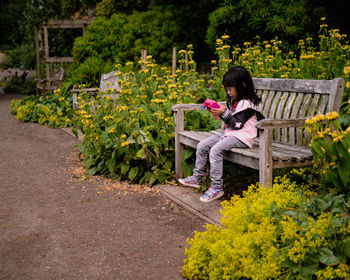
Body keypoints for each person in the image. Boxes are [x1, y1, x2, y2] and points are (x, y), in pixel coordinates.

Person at [178, 66, 265, 202]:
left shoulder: (247, 104)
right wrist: (219, 112)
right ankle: (197, 177)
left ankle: (217, 187)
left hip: (242, 137)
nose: (228, 93)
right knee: (202, 145)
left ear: (242, 85)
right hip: (231, 134)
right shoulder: (236, 102)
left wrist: (224, 114)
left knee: (215, 150)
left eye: (230, 89)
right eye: (227, 89)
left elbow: (237, 124)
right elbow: (231, 123)